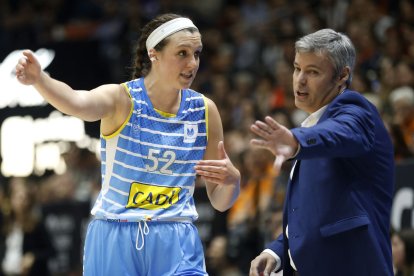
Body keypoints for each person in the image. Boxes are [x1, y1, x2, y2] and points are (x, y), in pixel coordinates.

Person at [15, 13, 241, 276]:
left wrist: (232, 181)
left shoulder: (204, 110)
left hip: (177, 237)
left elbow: (220, 202)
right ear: (154, 54)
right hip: (115, 234)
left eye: (197, 53)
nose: (192, 63)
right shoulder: (122, 99)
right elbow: (77, 102)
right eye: (182, 53)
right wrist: (39, 80)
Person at [249, 28, 394, 275]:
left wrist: (296, 141)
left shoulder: (355, 110)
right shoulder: (314, 123)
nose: (300, 80)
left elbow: (339, 132)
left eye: (313, 72)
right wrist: (276, 251)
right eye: (297, 68)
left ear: (342, 76)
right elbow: (314, 216)